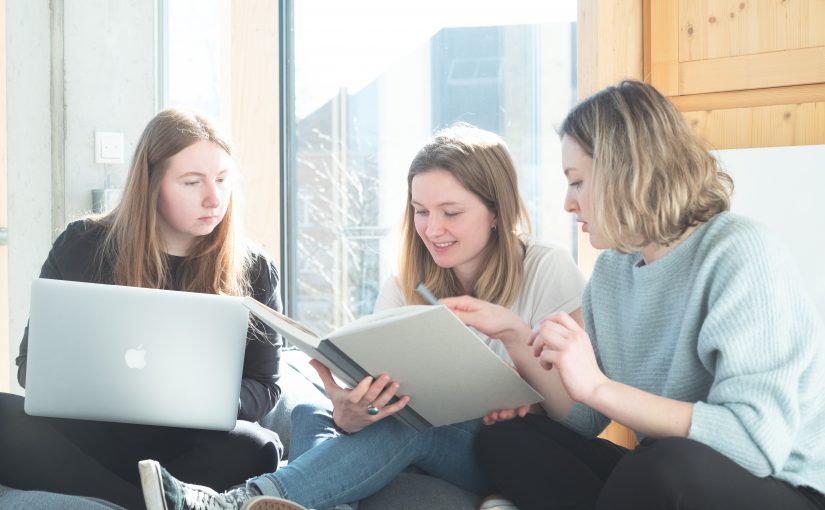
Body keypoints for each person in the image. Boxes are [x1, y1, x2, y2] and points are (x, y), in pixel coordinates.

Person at [137, 123, 587, 510]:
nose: (432, 229)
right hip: (417, 437)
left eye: (451, 213)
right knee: (317, 411)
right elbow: (367, 411)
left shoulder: (546, 267)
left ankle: (232, 502)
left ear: (496, 211)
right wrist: (352, 410)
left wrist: (512, 334)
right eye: (421, 212)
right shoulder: (405, 283)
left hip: (510, 453)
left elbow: (581, 415)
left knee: (414, 425)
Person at [445, 80, 825, 510]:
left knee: (658, 467)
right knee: (507, 439)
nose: (569, 204)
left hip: (782, 486)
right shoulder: (613, 269)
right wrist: (516, 334)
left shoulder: (740, 253)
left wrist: (598, 386)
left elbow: (754, 444)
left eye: (577, 182)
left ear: (625, 172)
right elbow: (587, 420)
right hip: (665, 472)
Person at [0, 108, 285, 509]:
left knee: (259, 446)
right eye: (192, 182)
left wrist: (198, 398)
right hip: (88, 436)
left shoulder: (254, 268)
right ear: (152, 183)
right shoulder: (82, 245)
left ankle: (137, 495)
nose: (214, 198)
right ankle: (152, 501)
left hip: (186, 444)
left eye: (222, 180)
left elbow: (265, 384)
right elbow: (31, 367)